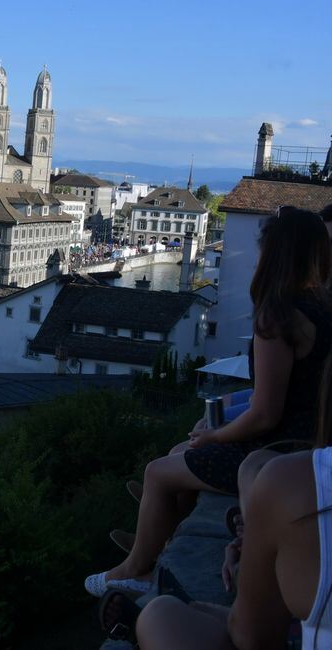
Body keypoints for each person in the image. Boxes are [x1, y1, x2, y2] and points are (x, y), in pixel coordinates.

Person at [85, 206, 332, 598]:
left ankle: (133, 570)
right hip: (309, 441)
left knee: (157, 472)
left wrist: (216, 437)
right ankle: (158, 544)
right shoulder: (322, 309)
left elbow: (266, 413)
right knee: (182, 450)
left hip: (279, 449)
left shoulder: (278, 317)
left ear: (273, 254)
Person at [135, 357, 332, 649]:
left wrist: (254, 559)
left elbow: (252, 636)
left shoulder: (302, 483)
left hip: (279, 631)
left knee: (160, 615)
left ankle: (134, 569)